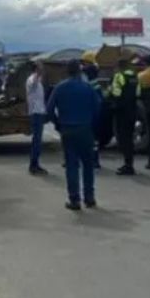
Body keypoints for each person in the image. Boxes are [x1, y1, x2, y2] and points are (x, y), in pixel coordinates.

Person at [48, 59, 102, 210]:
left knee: (71, 165)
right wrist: (91, 124)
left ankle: (74, 200)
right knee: (88, 165)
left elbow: (50, 109)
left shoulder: (60, 88)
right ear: (80, 71)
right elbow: (98, 109)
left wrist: (58, 124)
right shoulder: (88, 88)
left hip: (67, 129)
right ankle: (89, 198)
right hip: (85, 129)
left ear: (67, 71)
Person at [108, 56, 140, 175]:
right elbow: (138, 92)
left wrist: (109, 93)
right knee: (129, 138)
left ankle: (128, 166)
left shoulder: (119, 76)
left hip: (121, 111)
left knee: (122, 138)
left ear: (118, 67)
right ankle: (129, 163)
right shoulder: (134, 76)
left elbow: (116, 93)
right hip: (132, 110)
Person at [25, 61, 48, 176]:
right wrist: (38, 74)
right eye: (40, 68)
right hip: (36, 113)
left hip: (39, 112)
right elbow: (33, 84)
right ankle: (33, 165)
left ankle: (35, 164)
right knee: (37, 141)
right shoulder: (32, 79)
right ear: (36, 69)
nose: (43, 69)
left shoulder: (38, 81)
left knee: (38, 141)